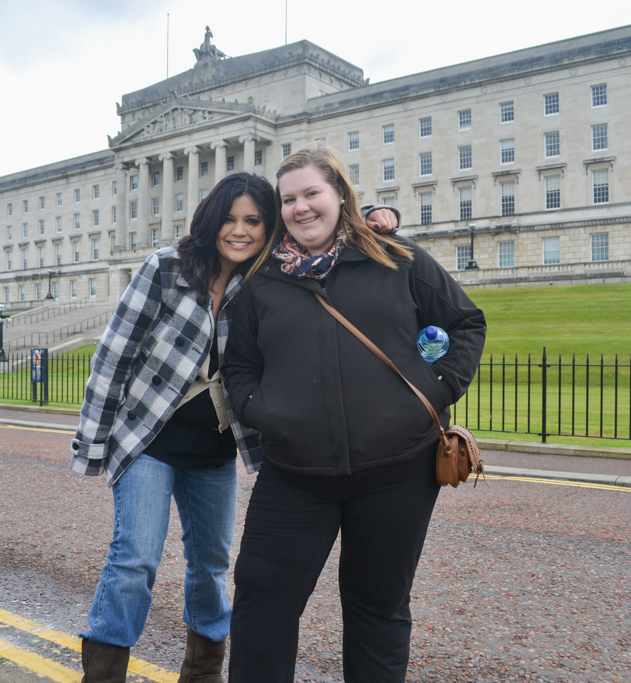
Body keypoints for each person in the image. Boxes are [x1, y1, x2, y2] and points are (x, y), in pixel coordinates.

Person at [68, 170, 399, 683]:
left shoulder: (269, 277)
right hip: (147, 443)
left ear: (269, 229)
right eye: (230, 219)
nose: (240, 231)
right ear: (210, 221)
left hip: (216, 451)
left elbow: (318, 218)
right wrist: (93, 445)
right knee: (134, 562)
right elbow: (113, 358)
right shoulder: (165, 268)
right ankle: (104, 676)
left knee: (212, 566)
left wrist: (378, 216)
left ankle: (201, 673)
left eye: (253, 221)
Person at [222, 144, 486, 683]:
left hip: (398, 473)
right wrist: (263, 411)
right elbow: (240, 366)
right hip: (295, 477)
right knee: (261, 603)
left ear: (340, 194)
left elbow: (466, 324)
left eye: (312, 193)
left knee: (377, 610)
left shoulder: (399, 260)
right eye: (289, 199)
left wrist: (434, 392)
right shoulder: (261, 282)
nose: (301, 208)